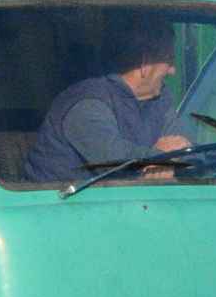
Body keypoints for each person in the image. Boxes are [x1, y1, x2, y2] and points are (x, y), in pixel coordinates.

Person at [23, 23, 191, 183]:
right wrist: (159, 156)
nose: (172, 70)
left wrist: (171, 158)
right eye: (169, 60)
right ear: (144, 64)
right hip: (60, 206)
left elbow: (188, 149)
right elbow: (114, 161)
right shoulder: (86, 102)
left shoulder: (160, 97)